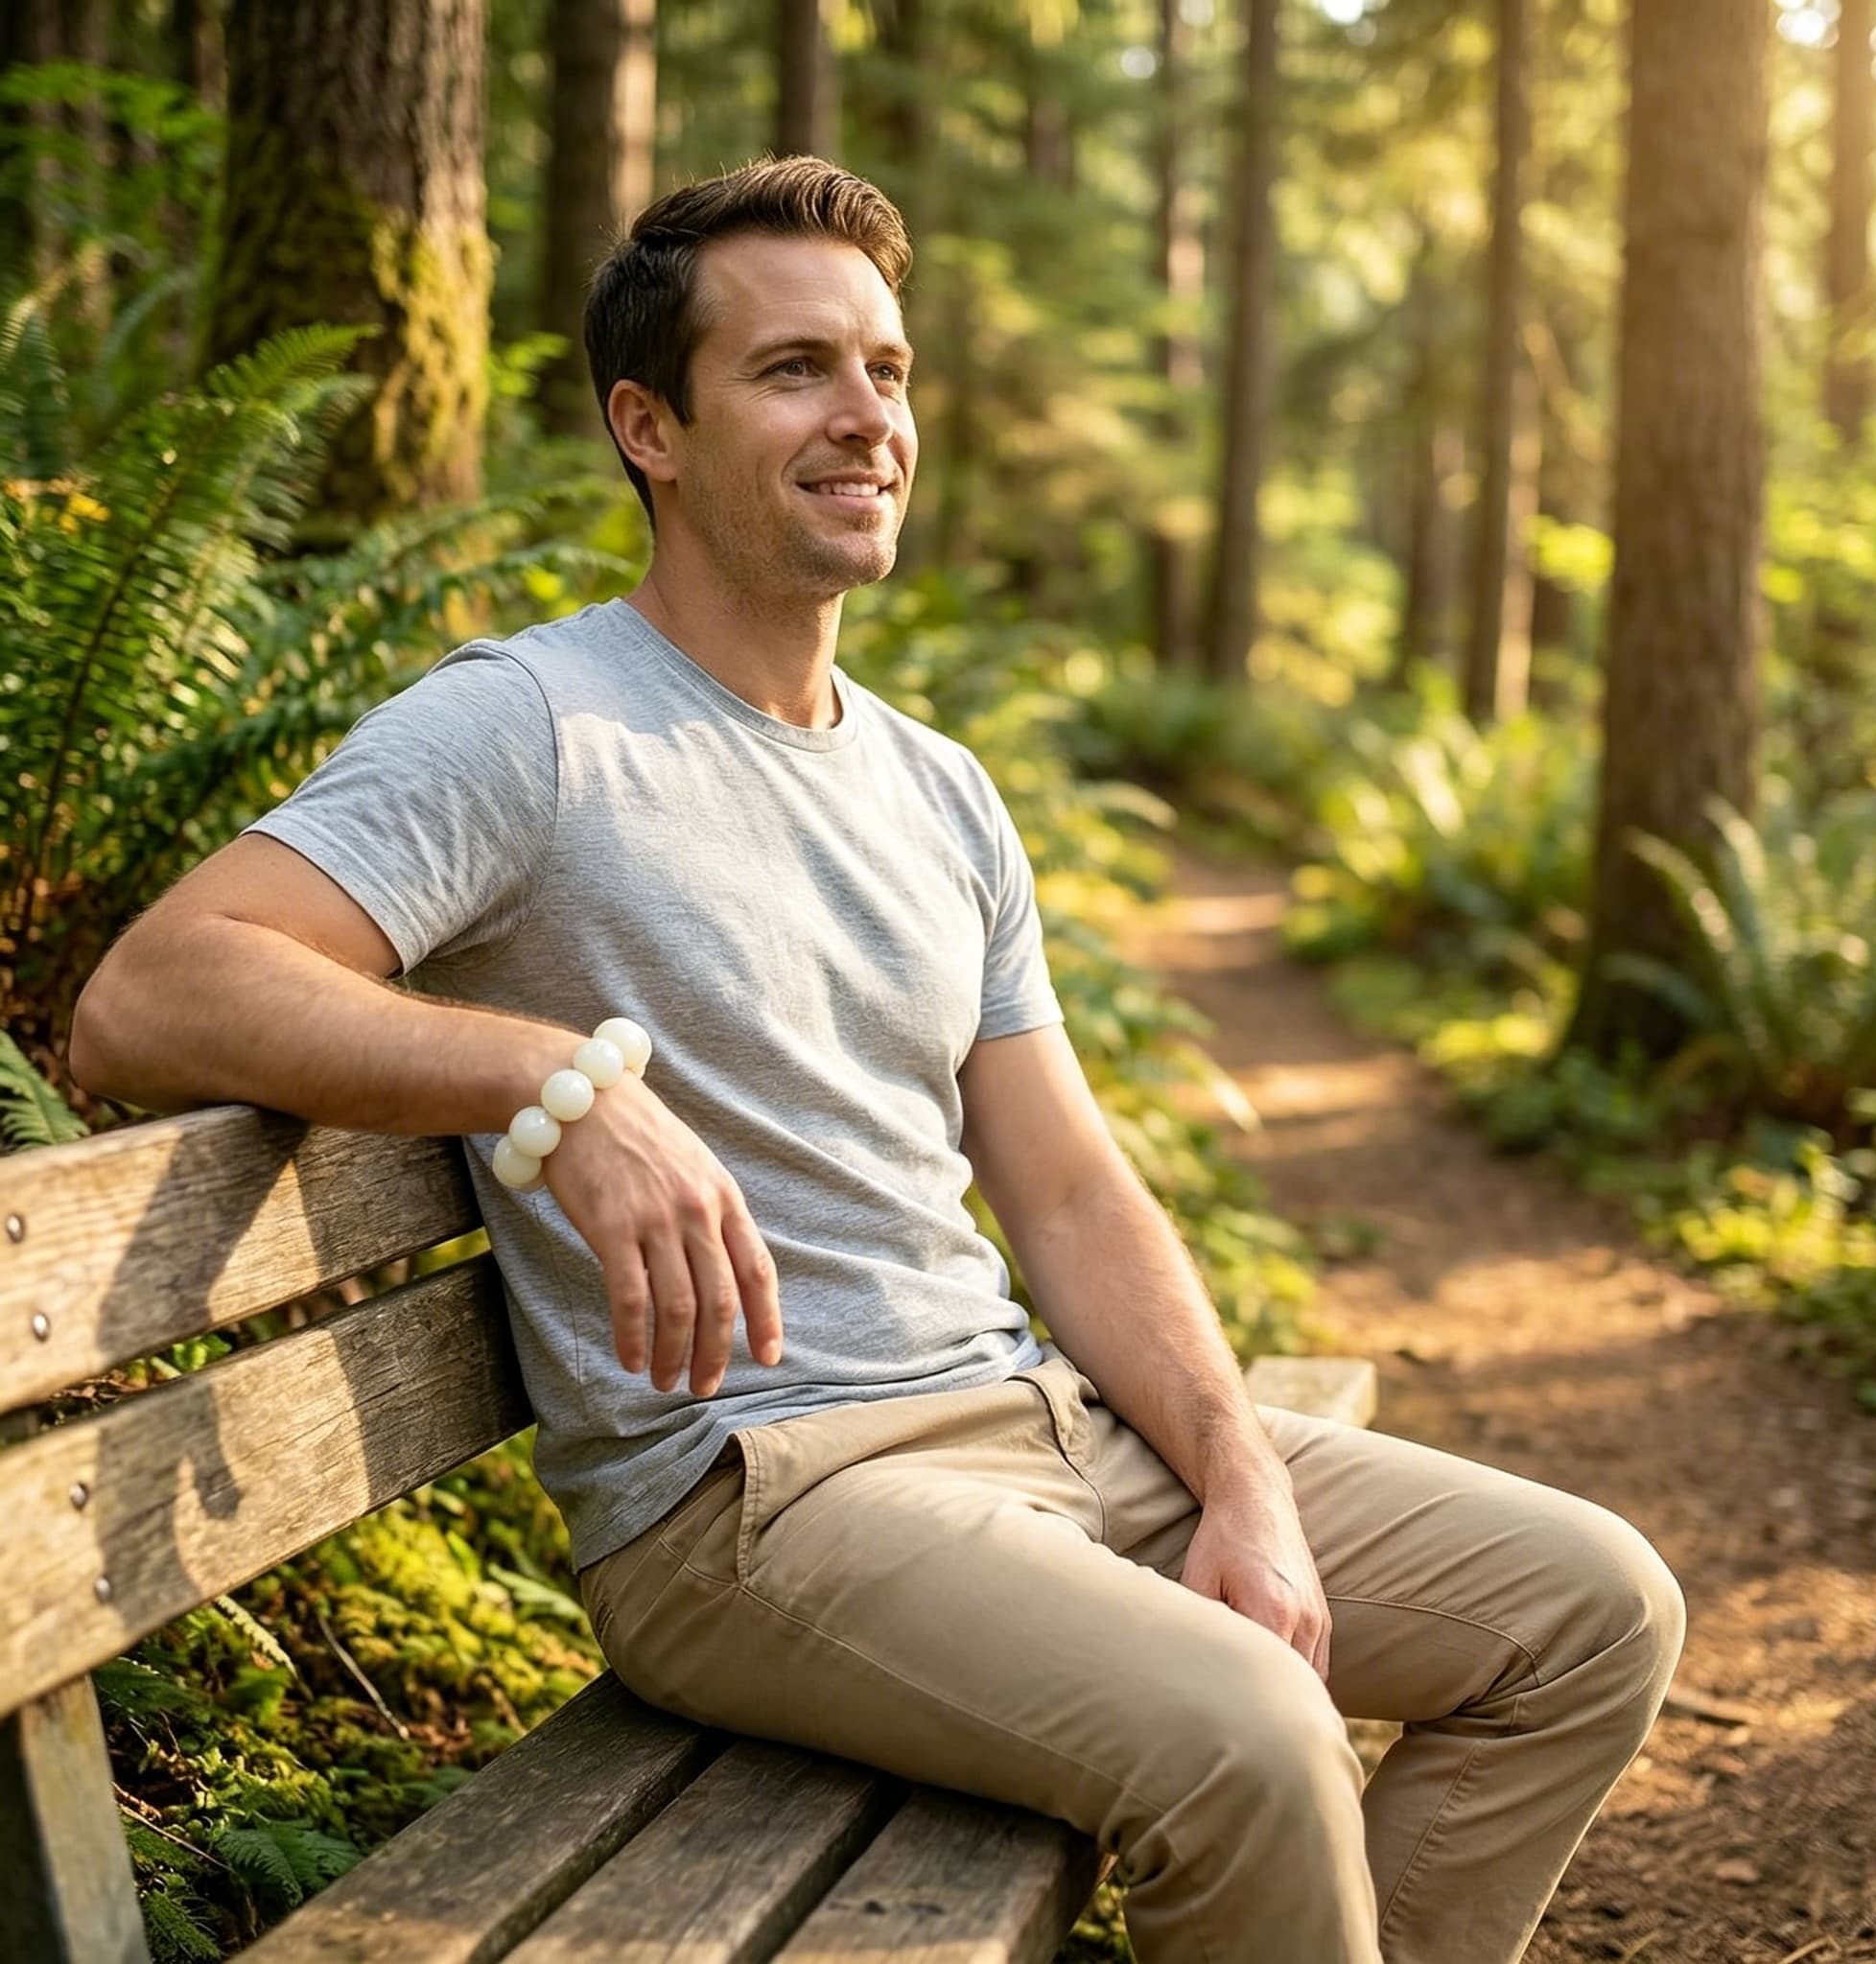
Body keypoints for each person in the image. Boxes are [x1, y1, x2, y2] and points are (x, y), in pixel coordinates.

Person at [69, 156, 1685, 1964]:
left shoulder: (937, 786)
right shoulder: (529, 724)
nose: (866, 418)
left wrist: (1242, 1474)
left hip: (1039, 1427)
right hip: (767, 1501)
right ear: (648, 427)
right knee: (1255, 1740)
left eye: (889, 369)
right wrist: (553, 1080)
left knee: (1594, 1610)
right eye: (794, 371)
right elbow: (151, 993)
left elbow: (1067, 1182)